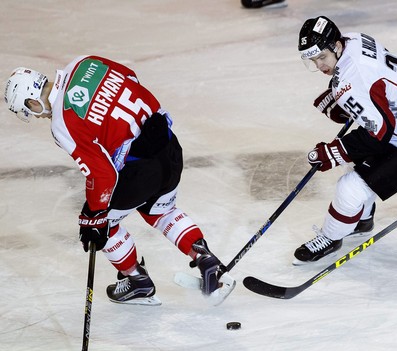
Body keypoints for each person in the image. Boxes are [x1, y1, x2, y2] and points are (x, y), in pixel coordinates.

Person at [4, 57, 235, 305]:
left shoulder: (62, 123)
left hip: (141, 171)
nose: (35, 116)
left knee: (97, 224)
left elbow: (102, 174)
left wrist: (94, 216)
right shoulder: (83, 63)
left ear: (31, 100)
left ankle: (137, 281)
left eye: (29, 110)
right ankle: (206, 260)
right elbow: (131, 76)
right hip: (168, 146)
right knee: (161, 211)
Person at [294, 16, 397, 265]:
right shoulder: (353, 38)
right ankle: (362, 219)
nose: (319, 66)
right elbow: (376, 85)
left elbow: (379, 134)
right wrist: (347, 101)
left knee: (349, 188)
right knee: (362, 166)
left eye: (322, 57)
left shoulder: (353, 82)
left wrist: (332, 153)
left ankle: (331, 238)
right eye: (313, 60)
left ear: (336, 46)